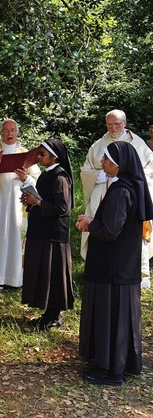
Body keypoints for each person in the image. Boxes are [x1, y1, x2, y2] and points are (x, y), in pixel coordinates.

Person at [76, 142, 153, 386]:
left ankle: (111, 371)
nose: (103, 164)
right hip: (122, 265)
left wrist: (90, 223)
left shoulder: (121, 190)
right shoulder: (132, 187)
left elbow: (110, 231)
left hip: (112, 267)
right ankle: (119, 363)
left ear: (119, 164)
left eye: (107, 160)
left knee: (112, 317)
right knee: (120, 317)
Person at [80, 110, 153, 288]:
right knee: (103, 228)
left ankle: (139, 273)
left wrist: (127, 176)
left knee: (128, 233)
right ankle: (99, 269)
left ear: (125, 123)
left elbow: (149, 170)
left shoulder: (139, 144)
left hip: (129, 197)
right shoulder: (98, 145)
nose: (113, 128)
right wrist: (100, 176)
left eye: (117, 124)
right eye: (109, 124)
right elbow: (85, 171)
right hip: (102, 195)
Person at [20, 139, 75, 330]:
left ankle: (54, 315)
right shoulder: (47, 174)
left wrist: (38, 203)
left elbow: (62, 206)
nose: (39, 157)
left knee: (53, 274)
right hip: (42, 232)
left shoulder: (60, 177)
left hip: (53, 234)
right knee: (45, 273)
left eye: (42, 154)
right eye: (39, 153)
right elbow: (43, 198)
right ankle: (48, 314)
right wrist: (30, 200)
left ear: (54, 156)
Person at [0, 119, 40, 287]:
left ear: (17, 132)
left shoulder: (25, 153)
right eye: (6, 130)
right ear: (1, 132)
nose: (9, 133)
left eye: (12, 130)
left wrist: (25, 177)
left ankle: (14, 278)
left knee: (16, 235)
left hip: (17, 203)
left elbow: (37, 178)